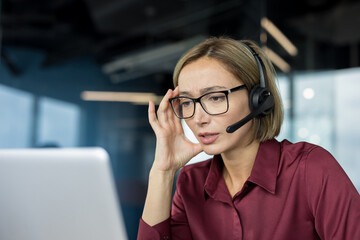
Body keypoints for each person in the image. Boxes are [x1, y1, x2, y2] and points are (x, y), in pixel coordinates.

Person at [137, 37, 360, 240]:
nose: (198, 118)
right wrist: (163, 171)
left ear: (258, 99)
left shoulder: (310, 169)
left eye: (215, 98)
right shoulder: (191, 183)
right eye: (187, 102)